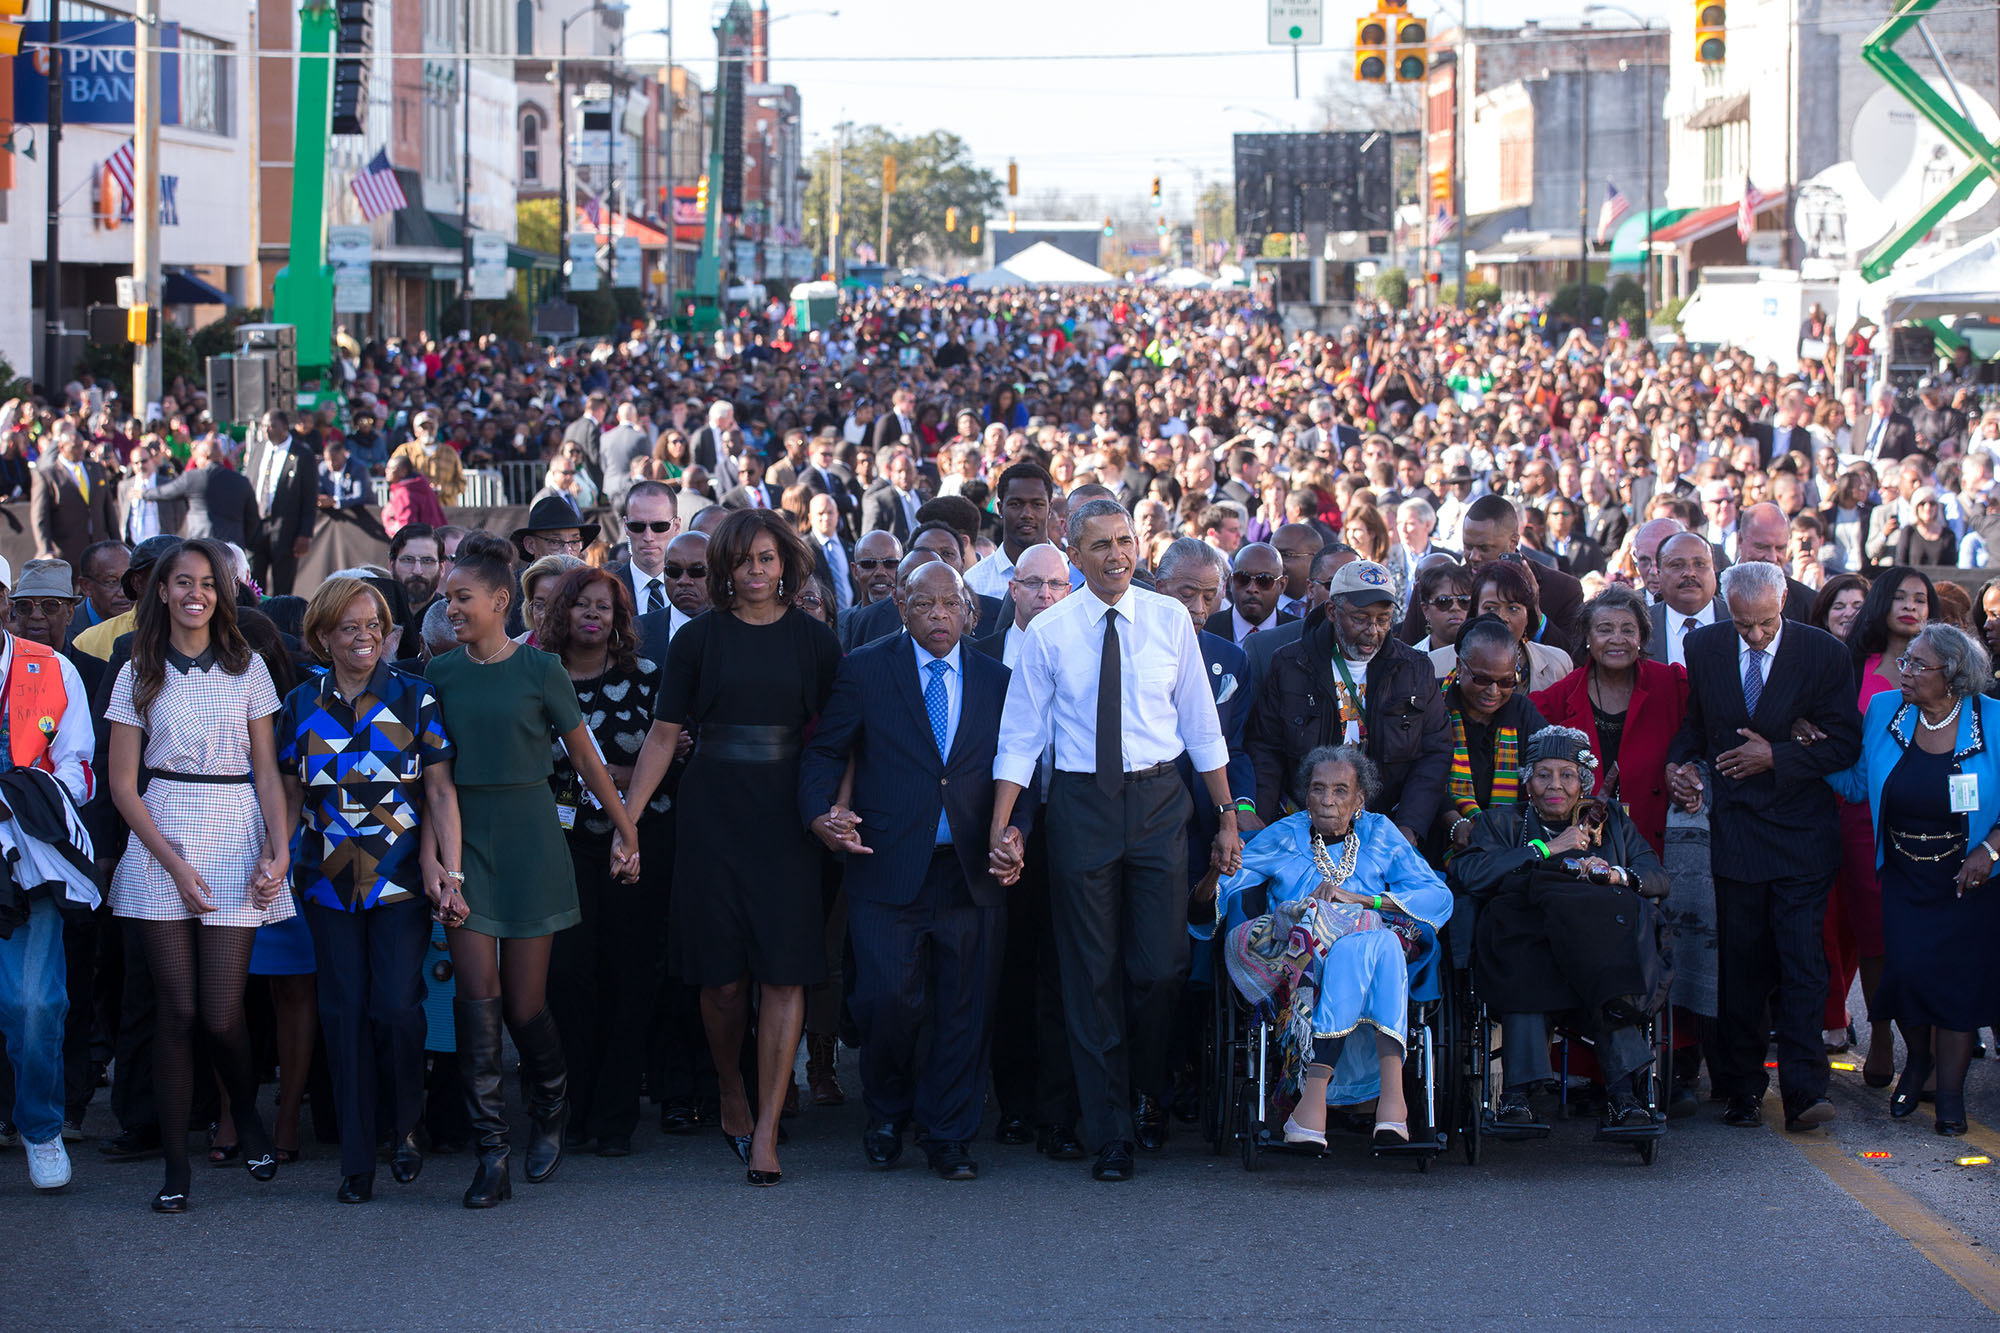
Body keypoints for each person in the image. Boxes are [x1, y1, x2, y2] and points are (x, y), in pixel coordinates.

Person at [990, 498, 1238, 1182]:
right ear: (1073, 551)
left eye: (1125, 541)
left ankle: (1146, 1088)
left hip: (1161, 802)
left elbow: (1201, 725)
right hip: (1079, 803)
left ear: (1140, 544)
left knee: (1158, 969)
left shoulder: (1168, 620)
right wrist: (1001, 827)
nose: (1115, 555)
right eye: (1099, 544)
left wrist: (1224, 815)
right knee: (1088, 972)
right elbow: (1020, 737)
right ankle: (1110, 1130)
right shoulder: (1050, 630)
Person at [620, 508, 843, 1187]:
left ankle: (769, 1126)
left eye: (767, 559)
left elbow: (836, 741)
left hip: (788, 817)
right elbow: (662, 737)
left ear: (786, 566)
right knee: (720, 981)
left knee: (783, 972)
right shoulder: (697, 641)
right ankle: (730, 1085)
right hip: (711, 812)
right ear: (724, 567)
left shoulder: (815, 641)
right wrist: (628, 825)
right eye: (743, 559)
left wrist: (832, 811)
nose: (755, 570)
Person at [425, 532, 640, 1209]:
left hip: (531, 840)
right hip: (466, 844)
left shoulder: (540, 670)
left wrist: (627, 830)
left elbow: (586, 758)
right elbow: (430, 783)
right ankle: (492, 1151)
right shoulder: (439, 674)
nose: (451, 608)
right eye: (446, 598)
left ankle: (551, 1101)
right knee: (475, 999)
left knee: (524, 1003)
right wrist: (438, 860)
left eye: (462, 597)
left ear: (497, 601)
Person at [800, 561, 1027, 1181]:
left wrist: (1016, 832)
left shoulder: (998, 680)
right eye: (923, 604)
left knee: (964, 1008)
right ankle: (886, 1113)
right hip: (887, 867)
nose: (937, 616)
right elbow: (826, 750)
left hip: (970, 872)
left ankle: (948, 1133)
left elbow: (1021, 766)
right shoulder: (866, 669)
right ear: (901, 606)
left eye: (949, 605)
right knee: (885, 1003)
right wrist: (822, 814)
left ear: (968, 611)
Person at [104, 539, 292, 1213]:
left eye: (207, 583)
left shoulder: (248, 667)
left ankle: (249, 1117)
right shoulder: (138, 669)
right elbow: (123, 786)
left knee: (220, 1014)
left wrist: (280, 849)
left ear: (223, 591)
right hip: (162, 836)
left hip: (234, 829)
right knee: (176, 1011)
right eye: (181, 582)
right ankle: (176, 1167)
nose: (195, 593)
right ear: (159, 591)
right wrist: (174, 862)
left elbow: (269, 772)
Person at [276, 576, 460, 1204]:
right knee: (342, 1016)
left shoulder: (416, 696)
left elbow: (438, 792)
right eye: (350, 627)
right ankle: (357, 1159)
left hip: (401, 879)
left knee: (397, 1012)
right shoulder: (300, 704)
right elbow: (290, 795)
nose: (364, 638)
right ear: (324, 635)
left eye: (374, 627)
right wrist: (276, 860)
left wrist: (447, 869)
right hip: (326, 884)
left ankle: (406, 1126)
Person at [1668, 560, 1861, 1132]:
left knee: (1802, 963)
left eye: (1766, 624)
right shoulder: (1704, 649)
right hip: (1737, 831)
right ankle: (1741, 1087)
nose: (1754, 635)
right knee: (1743, 964)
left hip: (1801, 831)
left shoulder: (1824, 653)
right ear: (1727, 610)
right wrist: (1681, 766)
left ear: (1784, 606)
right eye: (1743, 624)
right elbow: (1695, 728)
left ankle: (1804, 1090)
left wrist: (1776, 755)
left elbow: (1845, 745)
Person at [1201, 745, 1450, 1148]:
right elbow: (1229, 881)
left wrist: (1360, 901)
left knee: (1375, 941)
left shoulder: (1381, 833)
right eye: (1318, 789)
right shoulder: (1284, 835)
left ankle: (1312, 1108)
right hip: (1304, 953)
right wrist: (1213, 878)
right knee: (1375, 944)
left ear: (1359, 800)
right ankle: (1393, 1103)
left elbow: (1436, 896)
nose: (1328, 801)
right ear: (1305, 794)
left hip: (1370, 943)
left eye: (1340, 790)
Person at [1450, 726, 1671, 1134]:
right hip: (1527, 951)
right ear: (1528, 782)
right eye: (1543, 774)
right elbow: (1469, 872)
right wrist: (1546, 850)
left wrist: (1615, 874)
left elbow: (1657, 876)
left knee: (1609, 958)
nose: (1555, 785)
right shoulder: (1502, 822)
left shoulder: (1613, 825)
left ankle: (1623, 1097)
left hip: (1599, 952)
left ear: (1582, 782)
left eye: (1567, 775)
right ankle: (1516, 1096)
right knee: (1519, 945)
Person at [1826, 624, 2000, 1137]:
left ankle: (1949, 1096)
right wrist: (1811, 756)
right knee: (1908, 977)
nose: (1904, 672)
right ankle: (1917, 1063)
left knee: (1957, 987)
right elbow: (1858, 782)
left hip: (1971, 881)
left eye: (1918, 666)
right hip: (1904, 876)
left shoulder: (1992, 721)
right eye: (1905, 663)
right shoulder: (1884, 712)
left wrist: (1989, 851)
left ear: (1953, 675)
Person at [539, 565, 672, 1159]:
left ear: (621, 620)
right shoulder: (538, 676)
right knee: (567, 977)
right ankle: (569, 1107)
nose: (594, 616)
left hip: (635, 845)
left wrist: (606, 776)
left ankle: (614, 1118)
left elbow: (668, 758)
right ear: (560, 613)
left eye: (606, 608)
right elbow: (535, 765)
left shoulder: (647, 679)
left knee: (628, 976)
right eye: (582, 605)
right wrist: (619, 771)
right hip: (558, 848)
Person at [0, 553, 99, 1192]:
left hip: (26, 858)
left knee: (34, 1003)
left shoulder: (53, 669)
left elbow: (81, 772)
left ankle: (40, 1128)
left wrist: (18, 794)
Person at [1247, 559, 1449, 840]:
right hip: (1304, 824)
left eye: (1383, 620)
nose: (1373, 631)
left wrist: (1409, 826)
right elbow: (1265, 747)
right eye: (1360, 618)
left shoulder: (1414, 668)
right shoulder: (1291, 664)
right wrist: (1262, 824)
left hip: (1385, 826)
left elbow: (1434, 753)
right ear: (1332, 611)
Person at [1829, 566, 1937, 1079]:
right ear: (1883, 605)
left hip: (1932, 818)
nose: (1912, 606)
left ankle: (1931, 1044)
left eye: (1921, 598)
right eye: (1901, 597)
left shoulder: (1948, 670)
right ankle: (1880, 1037)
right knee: (1872, 934)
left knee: (1925, 934)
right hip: (1862, 818)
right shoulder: (1855, 664)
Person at [1531, 585, 1688, 857]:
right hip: (1582, 849)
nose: (1617, 639)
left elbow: (1699, 734)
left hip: (1654, 840)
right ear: (1587, 638)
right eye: (1605, 629)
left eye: (1628, 630)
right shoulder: (1558, 698)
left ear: (1642, 637)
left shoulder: (1672, 685)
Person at [1433, 615, 1551, 862]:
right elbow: (1419, 775)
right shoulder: (1432, 702)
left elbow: (1549, 763)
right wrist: (1456, 824)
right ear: (1460, 666)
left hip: (1509, 847)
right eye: (1483, 679)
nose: (1494, 692)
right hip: (1439, 843)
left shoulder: (1522, 711)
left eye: (1507, 681)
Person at [1430, 560, 1573, 693]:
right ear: (1474, 611)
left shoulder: (1557, 664)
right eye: (1490, 608)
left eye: (1513, 608)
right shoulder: (1436, 665)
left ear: (1528, 614)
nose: (1502, 617)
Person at [242, 410, 320, 597]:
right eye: (263, 426)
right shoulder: (258, 449)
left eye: (271, 426)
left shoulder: (302, 455)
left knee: (282, 585)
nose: (266, 430)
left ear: (284, 427)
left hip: (286, 529)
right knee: (252, 584)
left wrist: (305, 533)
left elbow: (310, 498)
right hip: (256, 527)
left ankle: (278, 625)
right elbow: (249, 484)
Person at [145, 437, 261, 547]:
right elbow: (253, 519)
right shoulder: (241, 481)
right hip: (232, 545)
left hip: (201, 543)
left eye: (197, 459)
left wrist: (144, 493)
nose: (195, 463)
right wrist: (243, 539)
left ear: (205, 456)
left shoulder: (193, 477)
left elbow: (166, 491)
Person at [1648, 531, 1727, 668]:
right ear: (1659, 574)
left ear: (1714, 570)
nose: (1689, 573)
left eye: (1700, 564)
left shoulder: (1737, 621)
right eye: (1677, 565)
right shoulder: (1641, 626)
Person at [391, 411, 466, 507]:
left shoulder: (450, 453)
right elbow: (393, 478)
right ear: (415, 431)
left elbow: (461, 484)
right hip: (413, 508)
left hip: (444, 509)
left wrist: (443, 489)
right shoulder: (405, 451)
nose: (428, 430)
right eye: (424, 427)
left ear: (436, 429)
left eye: (432, 427)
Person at [382, 455, 447, 535]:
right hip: (435, 539)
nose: (386, 471)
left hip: (418, 543)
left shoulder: (404, 492)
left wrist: (389, 523)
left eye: (390, 469)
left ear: (403, 471)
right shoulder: (422, 485)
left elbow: (406, 529)